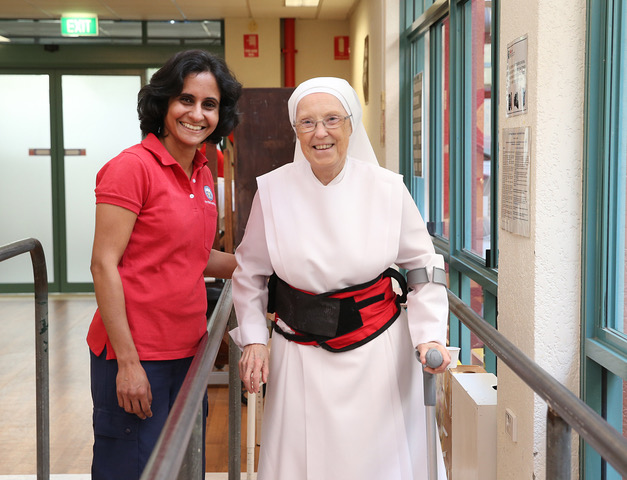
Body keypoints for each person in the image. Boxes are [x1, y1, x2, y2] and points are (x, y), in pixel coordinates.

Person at [231, 76, 451, 480]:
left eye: (332, 119)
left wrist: (430, 334)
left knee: (378, 460)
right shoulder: (273, 191)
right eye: (307, 122)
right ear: (295, 131)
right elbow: (250, 275)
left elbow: (424, 267)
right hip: (299, 352)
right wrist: (254, 341)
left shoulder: (387, 189)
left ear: (351, 124)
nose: (321, 133)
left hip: (378, 351)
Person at [87, 49, 241, 480]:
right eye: (185, 100)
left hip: (188, 352)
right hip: (137, 355)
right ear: (163, 104)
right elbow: (104, 264)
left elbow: (193, 255)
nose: (197, 114)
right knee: (134, 470)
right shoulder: (131, 169)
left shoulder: (202, 173)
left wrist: (266, 265)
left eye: (209, 104)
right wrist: (128, 363)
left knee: (182, 467)